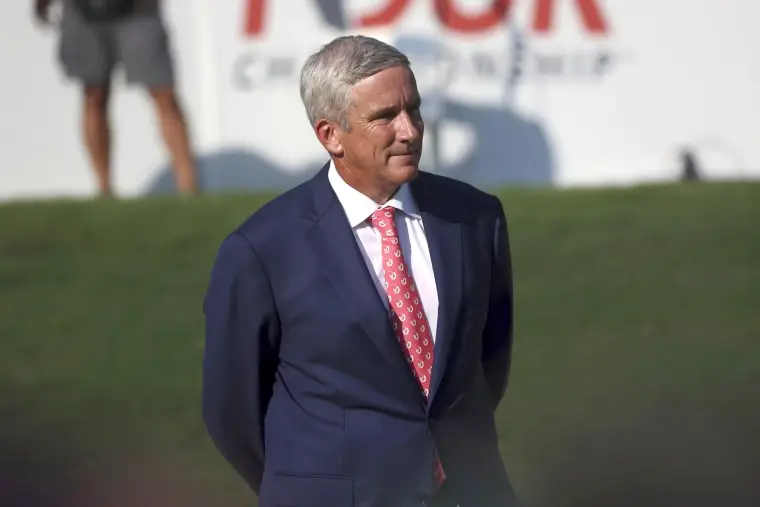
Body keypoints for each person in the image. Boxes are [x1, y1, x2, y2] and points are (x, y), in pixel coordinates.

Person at [202, 35, 517, 507]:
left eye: (414, 108)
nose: (410, 131)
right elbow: (231, 412)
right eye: (385, 117)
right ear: (330, 135)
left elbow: (487, 362)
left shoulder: (475, 218)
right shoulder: (261, 249)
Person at [33, 0, 198, 197]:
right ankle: (104, 190)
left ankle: (189, 188)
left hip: (139, 9)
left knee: (163, 93)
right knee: (94, 94)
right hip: (83, 11)